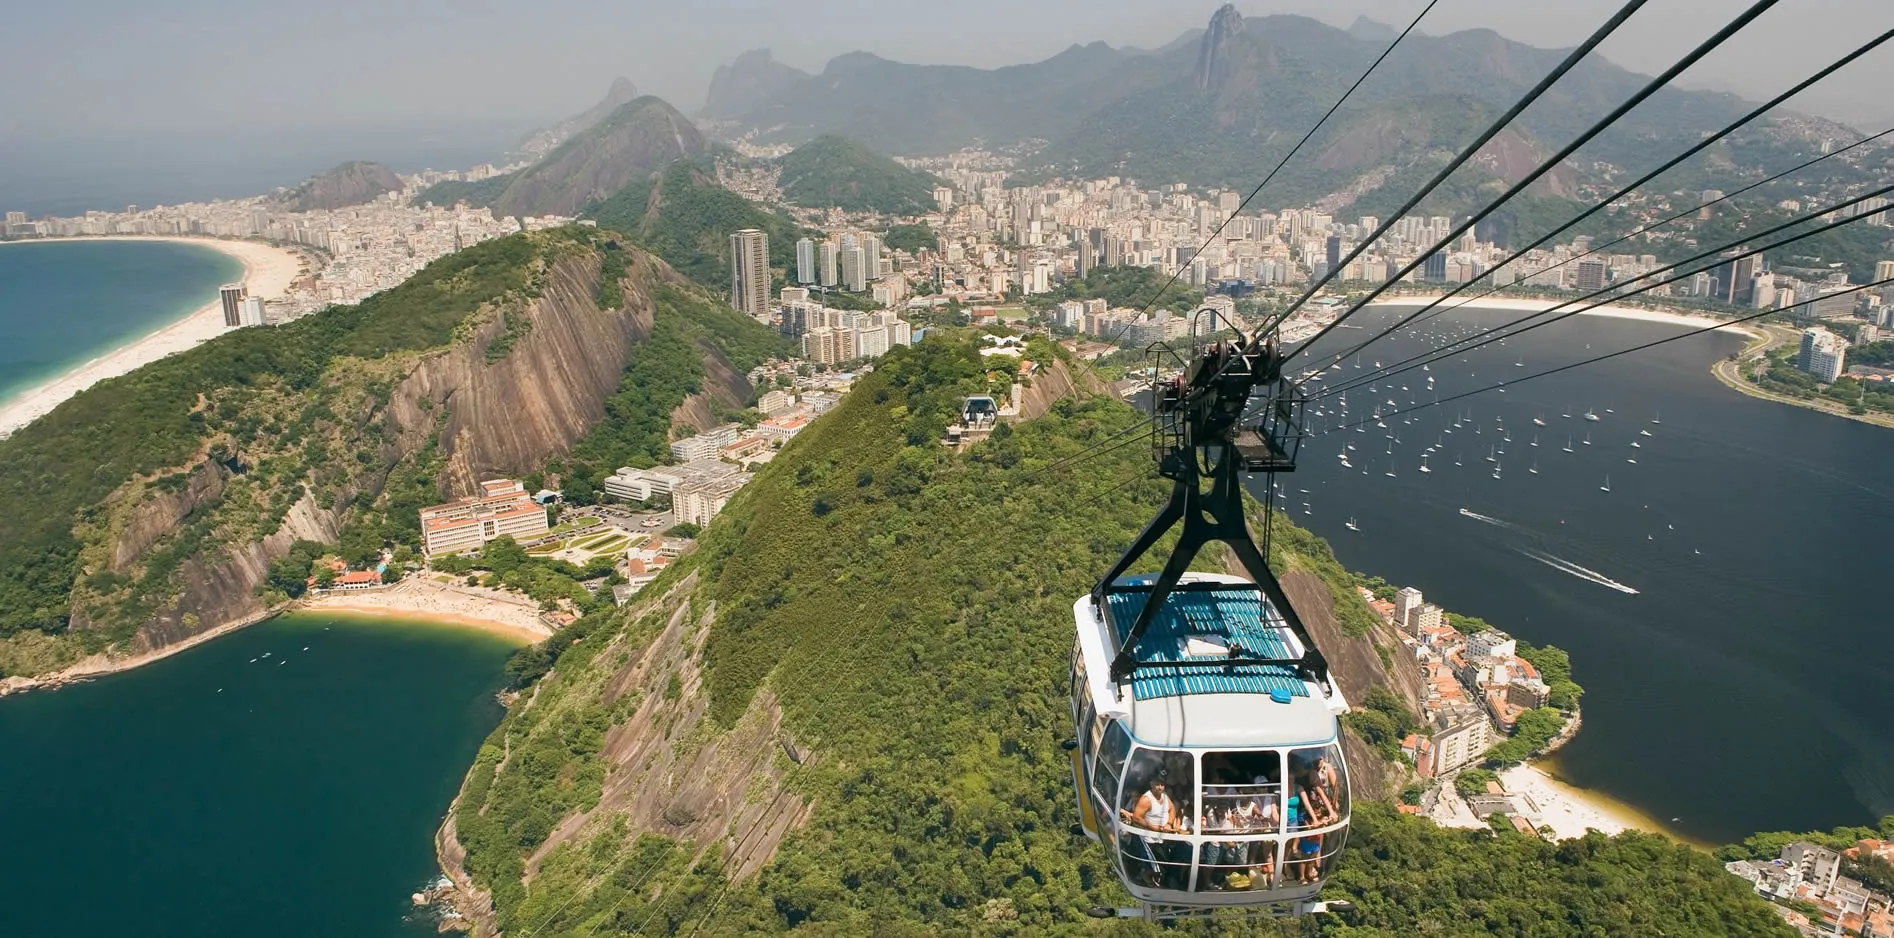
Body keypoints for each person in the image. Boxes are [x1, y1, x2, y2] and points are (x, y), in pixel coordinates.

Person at [1119, 777, 1177, 888]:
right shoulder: (1146, 800)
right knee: (1154, 865)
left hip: (1161, 838)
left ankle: (1153, 878)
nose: (1160, 787)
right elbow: (1137, 818)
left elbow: (1172, 809)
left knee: (1163, 862)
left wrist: (1169, 823)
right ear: (1152, 784)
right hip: (1148, 839)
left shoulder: (1165, 797)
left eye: (1162, 785)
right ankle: (1147, 877)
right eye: (1157, 784)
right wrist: (1153, 828)